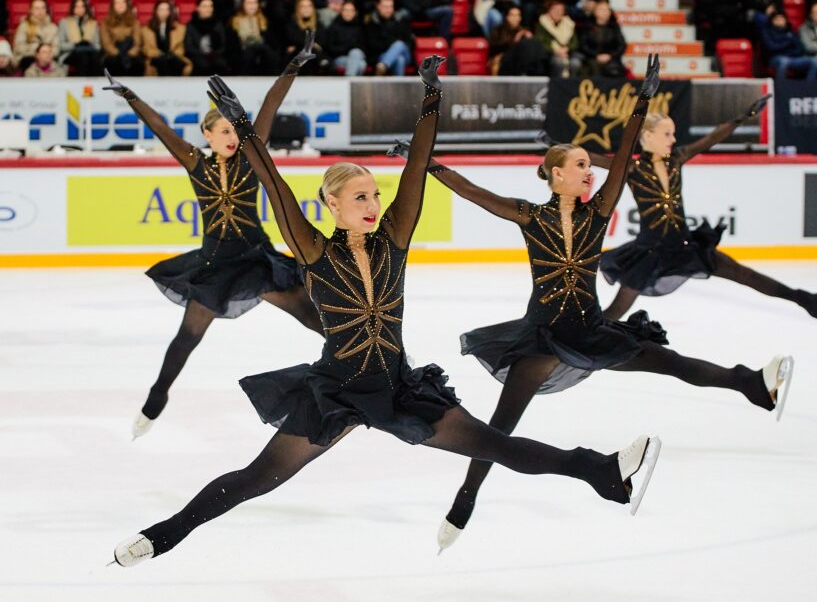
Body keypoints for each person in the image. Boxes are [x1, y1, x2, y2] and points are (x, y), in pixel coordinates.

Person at [111, 55, 662, 567]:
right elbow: (276, 187)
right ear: (331, 205)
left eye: (375, 195)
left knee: (501, 447)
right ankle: (163, 535)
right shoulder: (312, 250)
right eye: (360, 199)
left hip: (399, 387)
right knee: (260, 477)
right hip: (338, 390)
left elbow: (418, 168)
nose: (373, 206)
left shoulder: (395, 237)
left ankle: (605, 473)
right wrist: (249, 132)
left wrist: (431, 99)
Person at [390, 57, 794, 554]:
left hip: (591, 328)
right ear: (555, 174)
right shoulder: (529, 215)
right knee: (499, 427)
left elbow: (623, 161)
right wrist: (425, 163)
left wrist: (642, 101)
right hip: (540, 336)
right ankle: (465, 498)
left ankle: (751, 384)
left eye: (588, 166)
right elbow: (473, 192)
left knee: (670, 362)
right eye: (580, 166)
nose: (589, 173)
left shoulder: (598, 213)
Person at [102, 33, 324, 439]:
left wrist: (293, 66)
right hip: (215, 264)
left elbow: (270, 107)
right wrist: (130, 95)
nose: (231, 135)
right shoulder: (195, 164)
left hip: (257, 260)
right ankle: (156, 399)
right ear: (206, 135)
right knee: (187, 337)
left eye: (232, 129)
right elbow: (160, 128)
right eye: (221, 130)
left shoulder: (252, 155)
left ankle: (376, 357)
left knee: (310, 315)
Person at [588, 97, 817, 325]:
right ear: (648, 136)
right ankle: (580, 340)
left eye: (673, 134)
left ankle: (810, 302)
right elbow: (592, 158)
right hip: (650, 253)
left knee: (743, 274)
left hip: (686, 246)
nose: (674, 139)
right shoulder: (632, 170)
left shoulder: (676, 159)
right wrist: (553, 145)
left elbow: (711, 139)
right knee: (615, 312)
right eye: (667, 134)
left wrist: (742, 118)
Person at [755, 8, 817, 80]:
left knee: (814, 61)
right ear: (772, 20)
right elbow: (771, 47)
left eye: (782, 18)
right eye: (777, 18)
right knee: (784, 62)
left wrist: (787, 50)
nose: (779, 20)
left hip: (792, 57)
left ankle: (809, 88)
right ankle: (781, 88)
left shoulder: (791, 31)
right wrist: (788, 42)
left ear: (786, 20)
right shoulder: (767, 31)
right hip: (774, 59)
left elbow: (800, 49)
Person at [364, 0, 413, 76]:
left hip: (405, 53)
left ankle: (383, 66)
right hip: (382, 55)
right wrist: (392, 45)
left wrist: (392, 44)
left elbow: (410, 42)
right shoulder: (372, 23)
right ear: (378, 6)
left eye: (391, 6)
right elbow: (373, 46)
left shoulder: (400, 20)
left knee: (399, 45)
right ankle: (398, 87)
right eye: (385, 7)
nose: (388, 10)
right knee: (399, 60)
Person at [488, 4, 545, 76]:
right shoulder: (498, 30)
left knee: (535, 43)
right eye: (513, 15)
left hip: (521, 62)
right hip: (504, 62)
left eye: (518, 15)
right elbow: (495, 47)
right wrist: (515, 41)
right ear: (507, 17)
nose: (516, 18)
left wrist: (530, 38)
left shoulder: (523, 31)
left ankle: (536, 74)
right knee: (525, 45)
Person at [231, 0, 279, 75]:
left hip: (263, 55)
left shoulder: (265, 21)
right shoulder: (234, 22)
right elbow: (232, 46)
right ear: (243, 4)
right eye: (249, 3)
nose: (252, 6)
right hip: (243, 55)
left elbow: (273, 43)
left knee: (267, 52)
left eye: (255, 2)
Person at [141, 0, 192, 76]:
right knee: (162, 61)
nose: (164, 12)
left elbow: (181, 47)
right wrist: (160, 54)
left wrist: (171, 55)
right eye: (161, 9)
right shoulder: (146, 29)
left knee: (174, 61)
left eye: (167, 9)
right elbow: (146, 48)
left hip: (174, 57)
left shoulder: (180, 28)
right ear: (156, 11)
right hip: (156, 57)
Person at [579, 0, 626, 78]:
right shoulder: (588, 26)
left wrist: (610, 55)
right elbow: (583, 45)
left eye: (607, 9)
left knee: (614, 70)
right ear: (595, 12)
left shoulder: (614, 27)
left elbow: (622, 45)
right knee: (593, 69)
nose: (605, 12)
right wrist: (596, 55)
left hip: (611, 59)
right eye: (601, 9)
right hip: (591, 58)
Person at [58, 0, 102, 76]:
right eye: (77, 6)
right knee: (83, 56)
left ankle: (96, 85)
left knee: (93, 56)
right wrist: (75, 45)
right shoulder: (64, 22)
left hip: (90, 52)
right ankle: (83, 85)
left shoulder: (93, 23)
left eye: (82, 6)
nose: (80, 9)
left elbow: (98, 46)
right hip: (70, 53)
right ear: (72, 8)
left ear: (86, 8)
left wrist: (89, 45)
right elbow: (61, 45)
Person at [534, 0, 580, 78]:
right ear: (549, 11)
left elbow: (575, 42)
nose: (558, 12)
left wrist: (567, 48)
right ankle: (557, 88)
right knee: (558, 63)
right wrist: (555, 50)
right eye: (555, 10)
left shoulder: (569, 24)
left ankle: (572, 87)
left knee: (575, 63)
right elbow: (540, 42)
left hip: (568, 53)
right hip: (549, 54)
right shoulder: (542, 24)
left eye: (560, 10)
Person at [185, 0, 230, 75]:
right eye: (205, 6)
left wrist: (214, 54)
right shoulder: (191, 25)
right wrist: (202, 55)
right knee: (202, 65)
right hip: (197, 56)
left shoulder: (218, 25)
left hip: (215, 55)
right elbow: (189, 47)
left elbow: (223, 45)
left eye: (210, 6)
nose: (208, 9)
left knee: (221, 64)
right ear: (198, 8)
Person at [100, 0, 143, 76]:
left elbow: (137, 43)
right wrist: (119, 54)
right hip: (113, 54)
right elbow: (106, 44)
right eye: (117, 2)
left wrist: (129, 54)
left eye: (123, 2)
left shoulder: (134, 22)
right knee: (113, 63)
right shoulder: (105, 23)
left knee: (137, 64)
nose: (121, 5)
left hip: (130, 53)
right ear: (113, 6)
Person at [13, 0, 59, 73]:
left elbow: (56, 48)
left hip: (49, 58)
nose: (40, 11)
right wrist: (37, 52)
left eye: (43, 8)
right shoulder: (24, 26)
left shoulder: (53, 27)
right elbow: (19, 47)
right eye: (37, 8)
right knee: (27, 60)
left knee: (56, 61)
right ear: (31, 10)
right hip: (29, 56)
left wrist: (46, 54)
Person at [322, 0, 368, 76]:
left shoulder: (360, 27)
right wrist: (349, 47)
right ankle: (351, 82)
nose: (348, 13)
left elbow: (364, 48)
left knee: (355, 53)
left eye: (351, 10)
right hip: (339, 58)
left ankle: (348, 80)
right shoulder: (334, 27)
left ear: (355, 13)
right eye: (346, 10)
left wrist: (352, 49)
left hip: (357, 56)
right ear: (341, 12)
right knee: (361, 65)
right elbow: (330, 48)